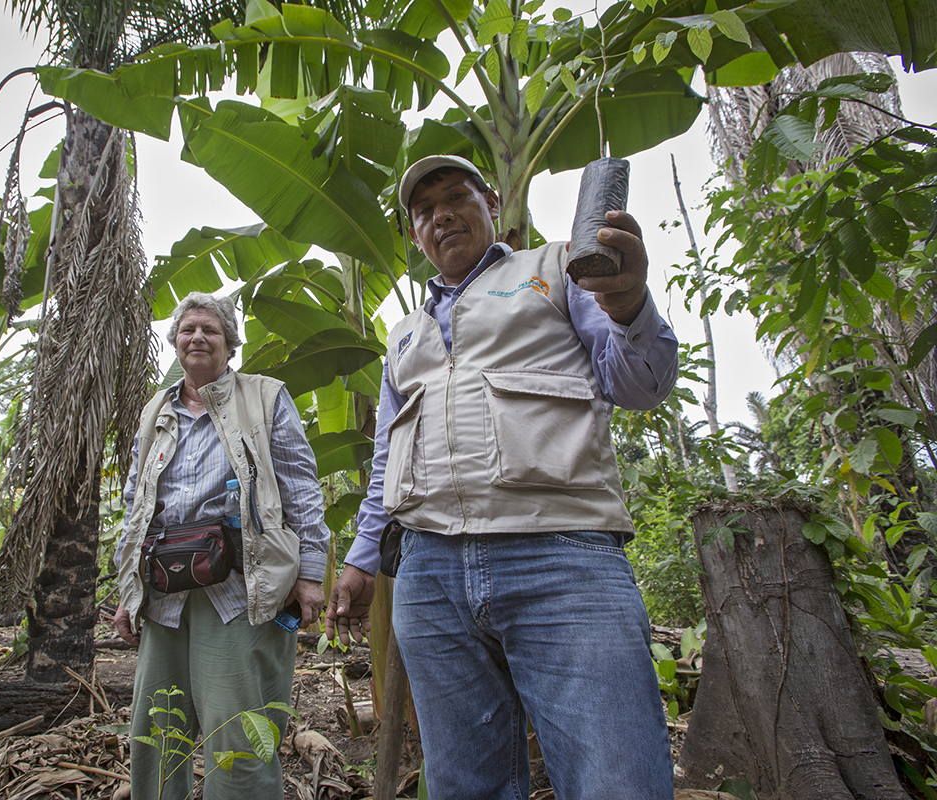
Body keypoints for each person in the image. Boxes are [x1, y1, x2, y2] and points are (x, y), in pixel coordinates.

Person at [324, 154, 679, 800]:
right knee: (466, 787)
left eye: (454, 197)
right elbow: (385, 465)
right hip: (429, 578)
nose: (440, 216)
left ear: (491, 203)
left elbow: (639, 383)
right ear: (415, 236)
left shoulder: (558, 270)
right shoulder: (405, 334)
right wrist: (361, 559)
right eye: (423, 211)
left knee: (614, 778)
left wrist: (626, 302)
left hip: (561, 556)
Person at [113, 292, 328, 800]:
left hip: (238, 588)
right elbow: (134, 502)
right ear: (176, 342)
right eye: (188, 329)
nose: (198, 337)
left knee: (238, 735)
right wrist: (127, 592)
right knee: (155, 734)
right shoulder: (155, 411)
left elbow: (300, 486)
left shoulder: (265, 397)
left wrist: (311, 573)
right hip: (164, 593)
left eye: (210, 329)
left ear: (230, 343)